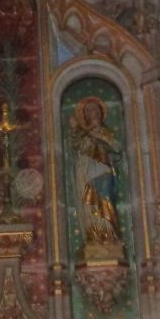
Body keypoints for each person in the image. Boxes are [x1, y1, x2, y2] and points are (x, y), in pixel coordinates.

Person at [69, 97, 122, 246]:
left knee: (105, 202)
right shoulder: (81, 135)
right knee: (89, 203)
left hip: (103, 170)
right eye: (88, 110)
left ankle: (109, 235)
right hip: (85, 171)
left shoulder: (106, 132)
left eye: (94, 109)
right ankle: (94, 235)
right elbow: (76, 146)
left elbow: (117, 148)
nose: (92, 112)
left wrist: (94, 135)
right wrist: (77, 130)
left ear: (100, 112)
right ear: (84, 115)